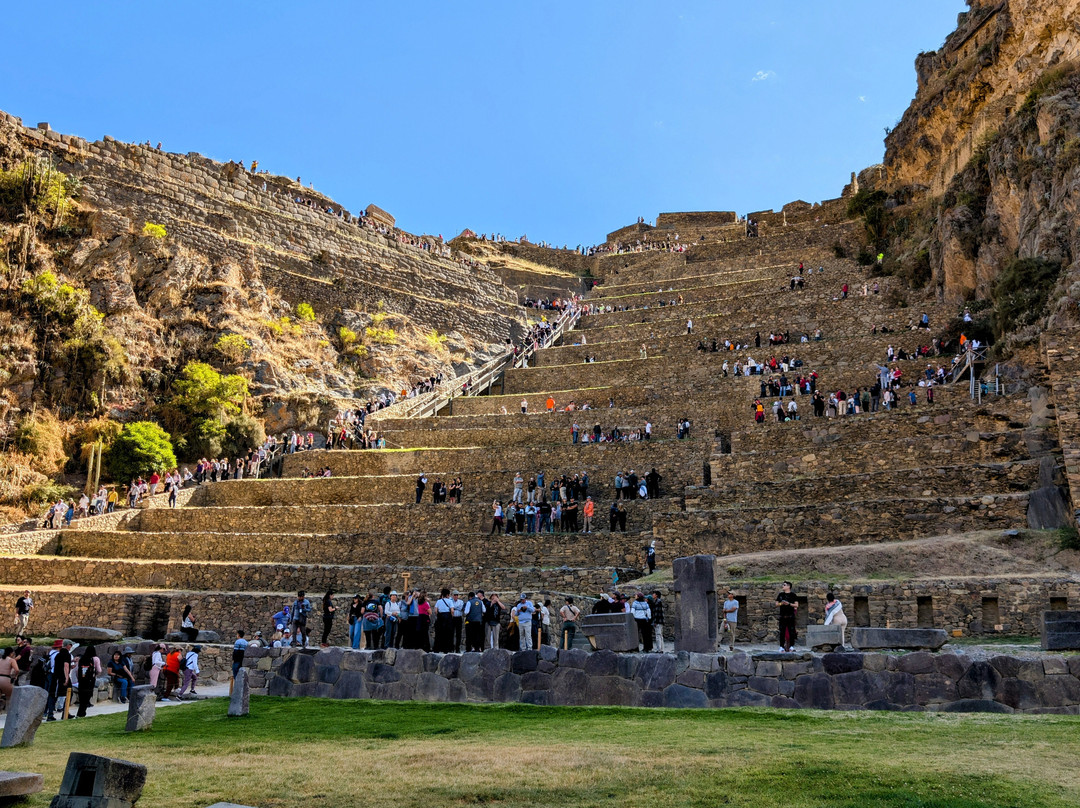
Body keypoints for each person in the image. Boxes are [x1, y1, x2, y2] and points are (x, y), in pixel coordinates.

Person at [776, 582, 798, 653]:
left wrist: (789, 604)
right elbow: (776, 604)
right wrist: (781, 603)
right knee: (782, 632)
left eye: (784, 585)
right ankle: (781, 647)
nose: (783, 586)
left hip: (790, 616)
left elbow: (796, 605)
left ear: (788, 586)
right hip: (782, 616)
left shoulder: (793, 595)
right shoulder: (780, 595)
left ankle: (791, 646)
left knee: (791, 632)